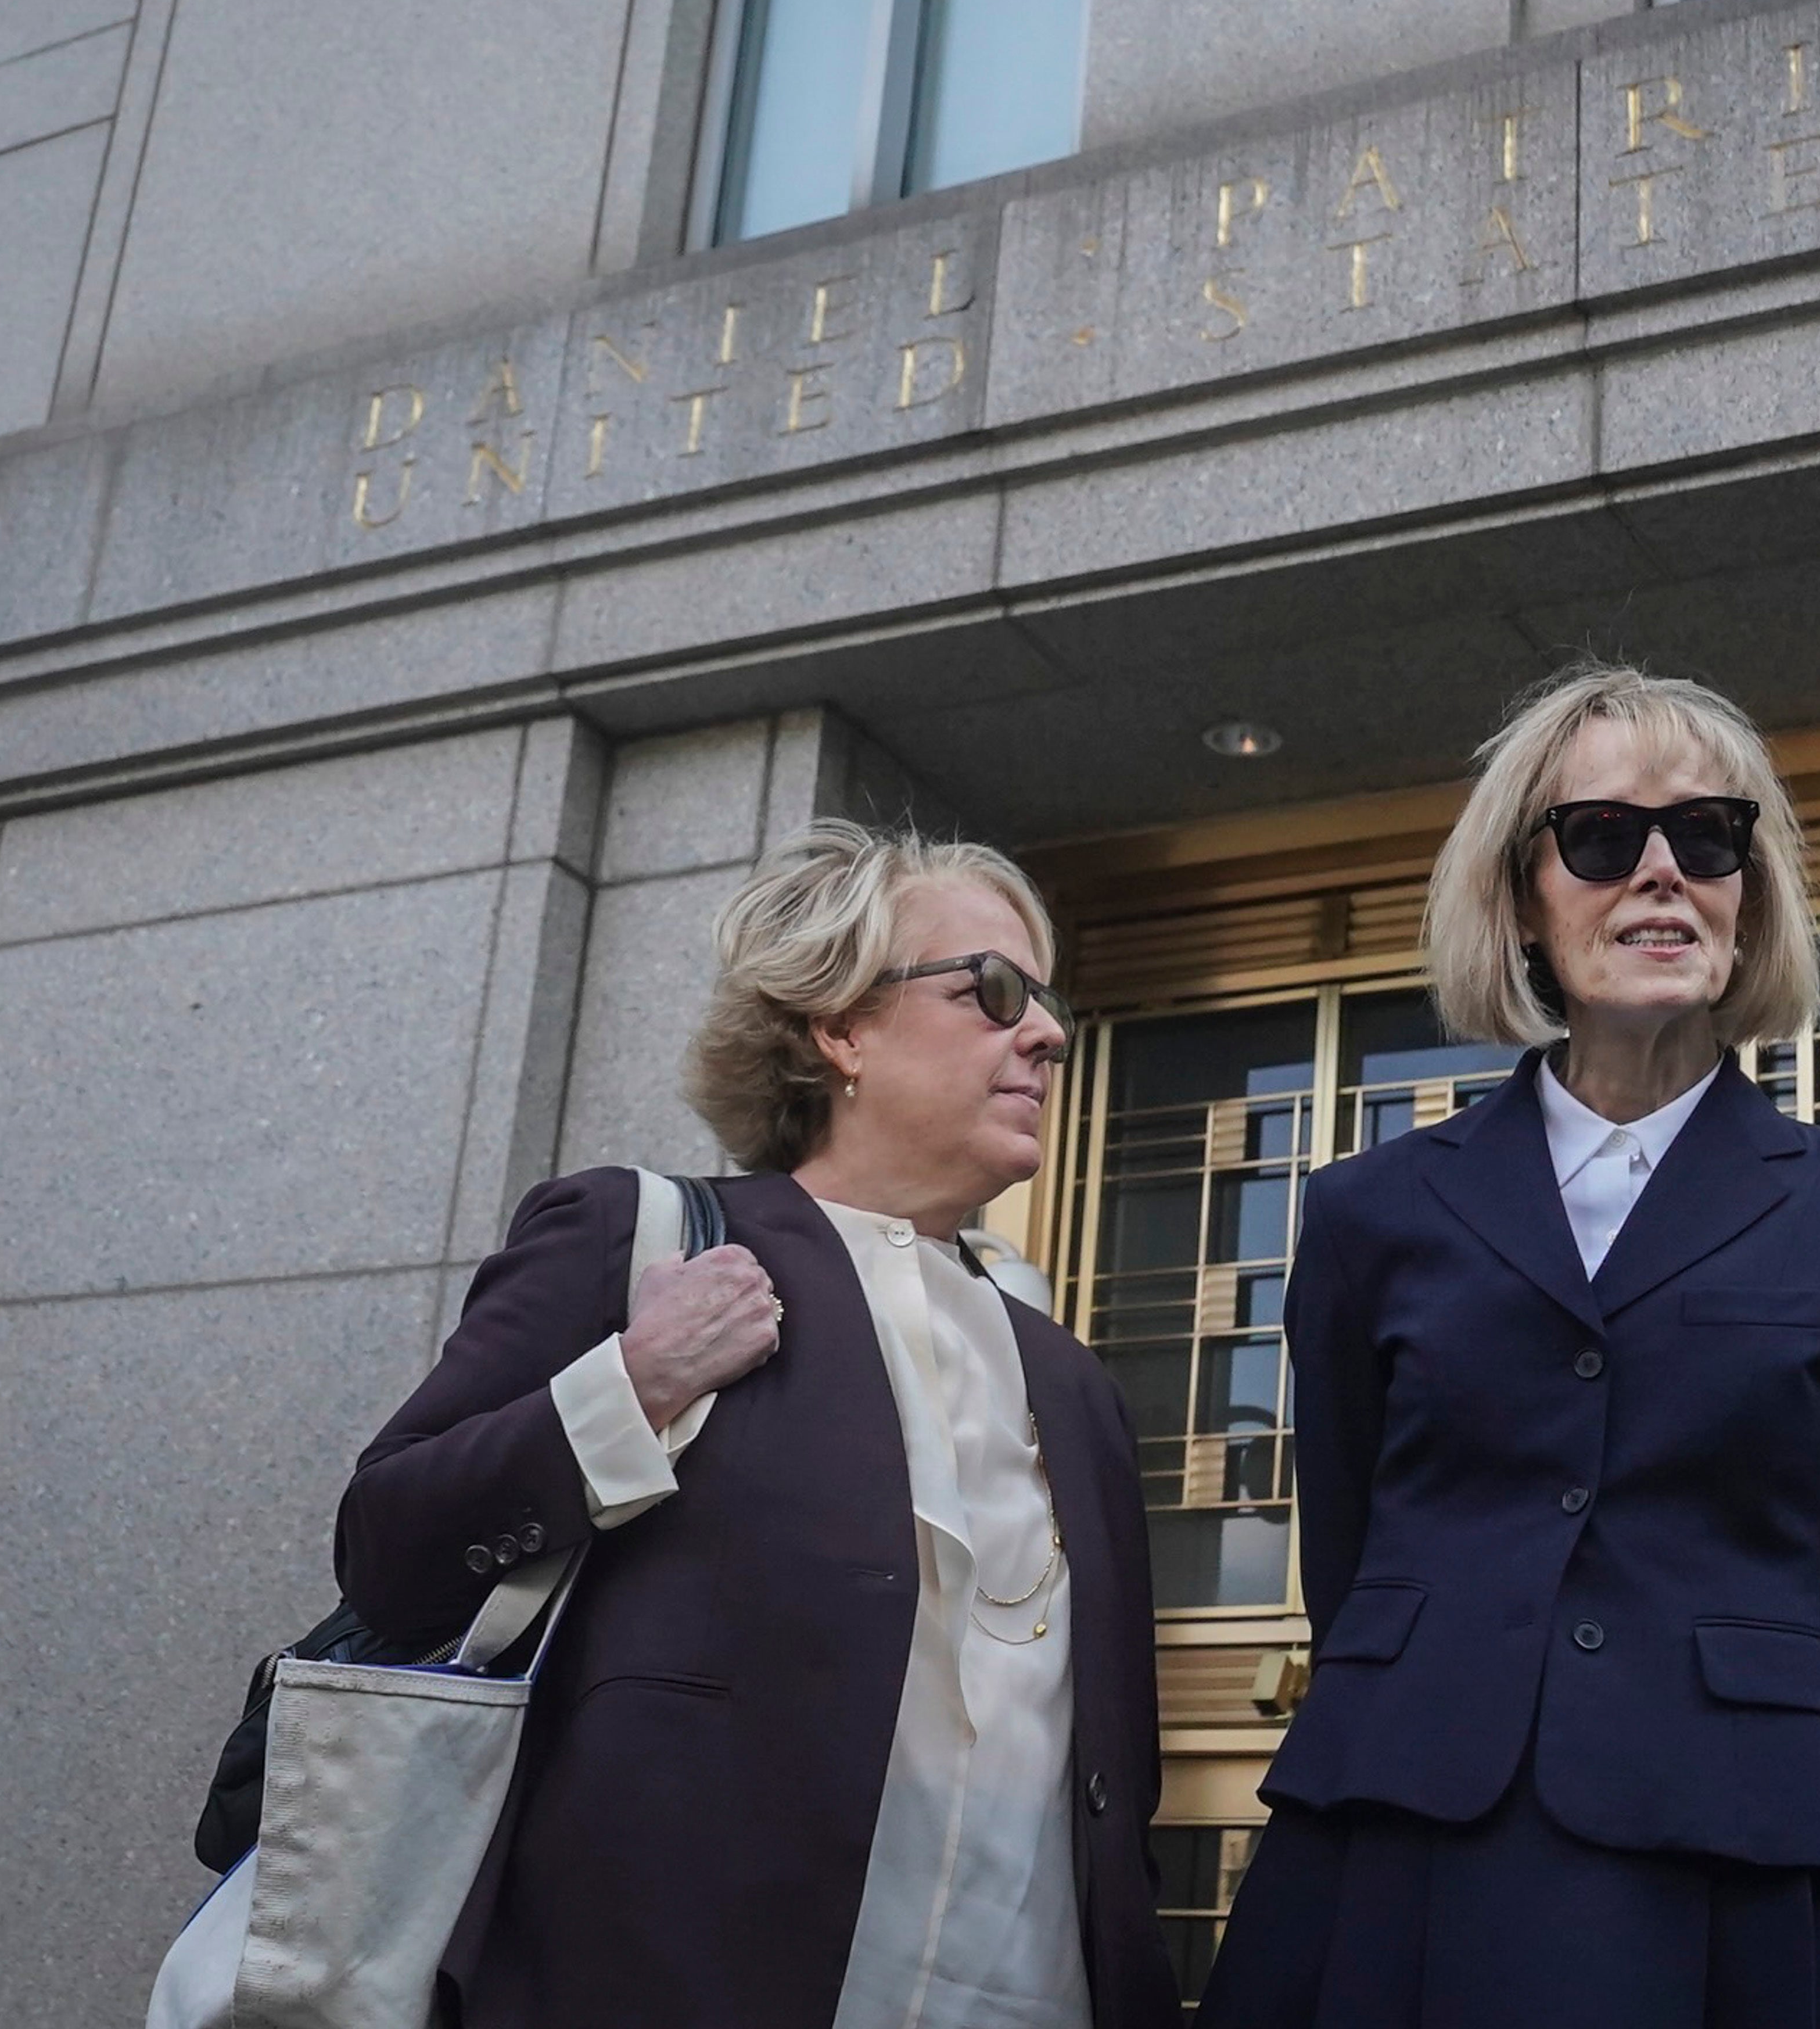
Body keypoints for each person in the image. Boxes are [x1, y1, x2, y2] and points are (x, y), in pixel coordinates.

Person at [1191, 664, 1820, 2029]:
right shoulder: (1369, 1213)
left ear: (1753, 890)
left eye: (1710, 837)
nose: (1663, 873)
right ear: (1521, 900)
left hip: (1733, 1849)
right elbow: (1355, 1546)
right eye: (1605, 837)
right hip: (1409, 1826)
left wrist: (1814, 1806)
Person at [331, 820, 1184, 2029]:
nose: (1045, 1031)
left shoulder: (1074, 1382)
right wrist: (629, 1384)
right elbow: (390, 1547)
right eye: (993, 989)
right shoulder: (646, 1239)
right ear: (839, 1024)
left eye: (1047, 1003)